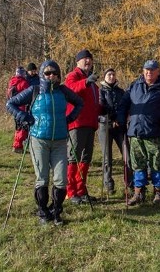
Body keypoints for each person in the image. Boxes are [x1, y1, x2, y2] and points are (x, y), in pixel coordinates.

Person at [6, 60, 83, 225]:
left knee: (61, 179)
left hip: (60, 141)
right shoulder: (34, 91)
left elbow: (79, 103)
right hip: (38, 139)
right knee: (42, 178)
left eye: (54, 73)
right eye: (47, 73)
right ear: (42, 74)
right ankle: (43, 212)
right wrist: (25, 118)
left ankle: (56, 211)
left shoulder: (63, 91)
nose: (51, 76)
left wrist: (69, 119)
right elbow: (10, 103)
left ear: (59, 75)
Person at [117, 60, 160, 205]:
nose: (148, 72)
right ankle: (139, 192)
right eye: (146, 70)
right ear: (143, 71)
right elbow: (123, 104)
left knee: (157, 164)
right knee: (137, 164)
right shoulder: (134, 86)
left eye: (152, 70)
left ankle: (158, 192)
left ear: (158, 71)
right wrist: (121, 120)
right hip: (135, 132)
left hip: (155, 132)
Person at [64, 49, 101, 204]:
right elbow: (70, 89)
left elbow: (92, 104)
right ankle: (70, 192)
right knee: (73, 157)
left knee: (85, 158)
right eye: (84, 59)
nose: (87, 62)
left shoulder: (92, 83)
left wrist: (103, 109)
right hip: (77, 123)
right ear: (77, 62)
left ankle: (81, 190)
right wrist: (86, 82)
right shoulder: (74, 76)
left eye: (89, 59)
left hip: (90, 124)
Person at [98, 68, 131, 194]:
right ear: (105, 77)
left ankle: (130, 182)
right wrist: (113, 117)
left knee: (127, 155)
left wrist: (120, 118)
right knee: (107, 157)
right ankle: (109, 184)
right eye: (109, 75)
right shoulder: (100, 91)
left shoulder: (120, 91)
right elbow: (101, 106)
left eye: (113, 74)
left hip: (120, 126)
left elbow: (124, 106)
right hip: (105, 125)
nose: (111, 77)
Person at [8, 66, 31, 154]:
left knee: (18, 127)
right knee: (23, 127)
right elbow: (28, 95)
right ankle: (17, 146)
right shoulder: (24, 83)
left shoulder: (12, 81)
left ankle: (18, 145)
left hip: (13, 108)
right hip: (22, 108)